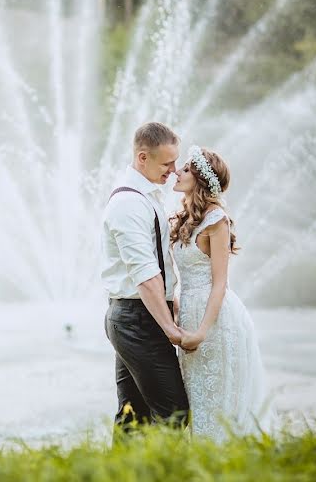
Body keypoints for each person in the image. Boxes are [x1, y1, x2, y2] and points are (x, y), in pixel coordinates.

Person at [172, 145, 274, 442]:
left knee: (215, 399)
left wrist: (202, 331)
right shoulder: (186, 216)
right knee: (197, 395)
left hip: (215, 319)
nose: (178, 171)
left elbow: (220, 283)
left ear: (202, 179)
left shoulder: (216, 220)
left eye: (186, 169)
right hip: (190, 311)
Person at [100, 121, 189, 439]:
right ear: (142, 157)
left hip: (138, 314)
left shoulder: (146, 197)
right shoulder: (129, 203)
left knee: (132, 416)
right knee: (174, 413)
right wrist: (171, 329)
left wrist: (172, 301)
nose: (174, 171)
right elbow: (145, 275)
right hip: (137, 320)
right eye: (167, 163)